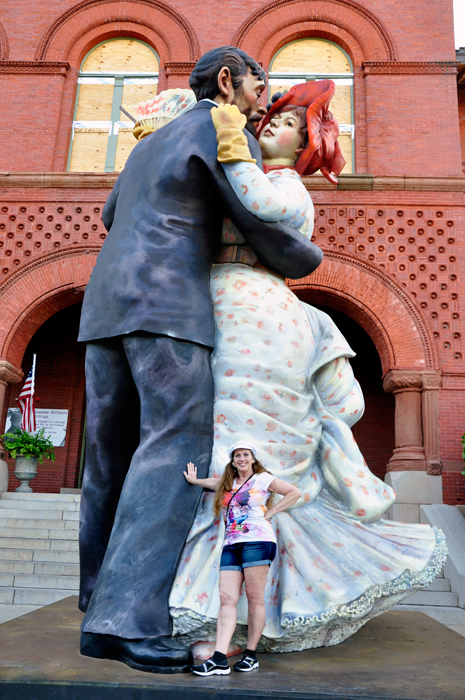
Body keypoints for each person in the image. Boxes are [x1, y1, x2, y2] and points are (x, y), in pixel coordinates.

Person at [168, 82, 447, 652]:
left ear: (307, 146)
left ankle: (239, 619)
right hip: (219, 302)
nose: (275, 124)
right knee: (216, 438)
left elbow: (259, 205)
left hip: (256, 314)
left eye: (292, 123)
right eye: (273, 116)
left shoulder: (287, 186)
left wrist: (232, 144)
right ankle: (221, 613)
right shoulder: (248, 170)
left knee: (238, 444)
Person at [77, 47, 323, 674]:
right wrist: (303, 258)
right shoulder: (221, 124)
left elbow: (108, 214)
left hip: (104, 303)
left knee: (109, 453)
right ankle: (129, 623)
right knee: (173, 447)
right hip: (166, 303)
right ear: (227, 81)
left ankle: (97, 611)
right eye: (258, 82)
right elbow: (253, 211)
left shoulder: (146, 143)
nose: (264, 96)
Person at [183, 441, 301, 675]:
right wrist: (194, 481)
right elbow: (211, 483)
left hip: (258, 542)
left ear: (253, 459)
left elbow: (294, 492)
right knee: (227, 598)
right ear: (233, 460)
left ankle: (251, 654)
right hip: (231, 545)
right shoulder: (228, 483)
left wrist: (272, 513)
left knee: (255, 597)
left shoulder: (263, 479)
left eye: (246, 455)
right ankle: (218, 659)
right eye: (237, 455)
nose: (242, 459)